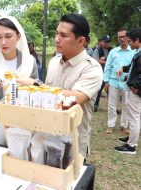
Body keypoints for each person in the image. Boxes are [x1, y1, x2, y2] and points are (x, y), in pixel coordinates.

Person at [45, 14, 103, 157]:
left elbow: (75, 98)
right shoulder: (54, 62)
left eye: (63, 35)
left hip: (73, 143)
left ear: (81, 41)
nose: (57, 39)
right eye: (57, 33)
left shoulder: (92, 68)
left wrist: (36, 87)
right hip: (47, 135)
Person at [0, 16, 39, 145]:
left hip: (22, 122)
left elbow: (37, 91)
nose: (3, 42)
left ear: (18, 36)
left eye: (8, 36)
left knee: (18, 161)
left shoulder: (29, 62)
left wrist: (29, 84)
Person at [114, 28, 141, 154]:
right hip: (132, 89)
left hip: (135, 90)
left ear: (137, 40)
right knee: (132, 116)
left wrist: (135, 86)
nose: (129, 43)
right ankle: (131, 139)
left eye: (130, 41)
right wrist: (122, 68)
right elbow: (132, 68)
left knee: (134, 117)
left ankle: (131, 146)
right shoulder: (138, 52)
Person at [103, 29, 135, 134]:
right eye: (119, 37)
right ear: (117, 39)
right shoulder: (113, 52)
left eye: (124, 36)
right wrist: (106, 81)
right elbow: (107, 67)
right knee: (112, 105)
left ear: (128, 37)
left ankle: (124, 125)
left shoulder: (133, 51)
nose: (122, 39)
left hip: (127, 83)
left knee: (126, 105)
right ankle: (110, 125)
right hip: (113, 82)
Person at [93, 35, 112, 112]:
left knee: (110, 92)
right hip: (100, 74)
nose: (108, 44)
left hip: (109, 75)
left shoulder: (111, 50)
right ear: (102, 42)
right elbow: (95, 61)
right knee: (98, 90)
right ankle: (95, 105)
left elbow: (113, 61)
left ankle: (111, 108)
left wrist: (104, 60)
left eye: (109, 42)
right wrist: (107, 61)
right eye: (106, 42)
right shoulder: (97, 50)